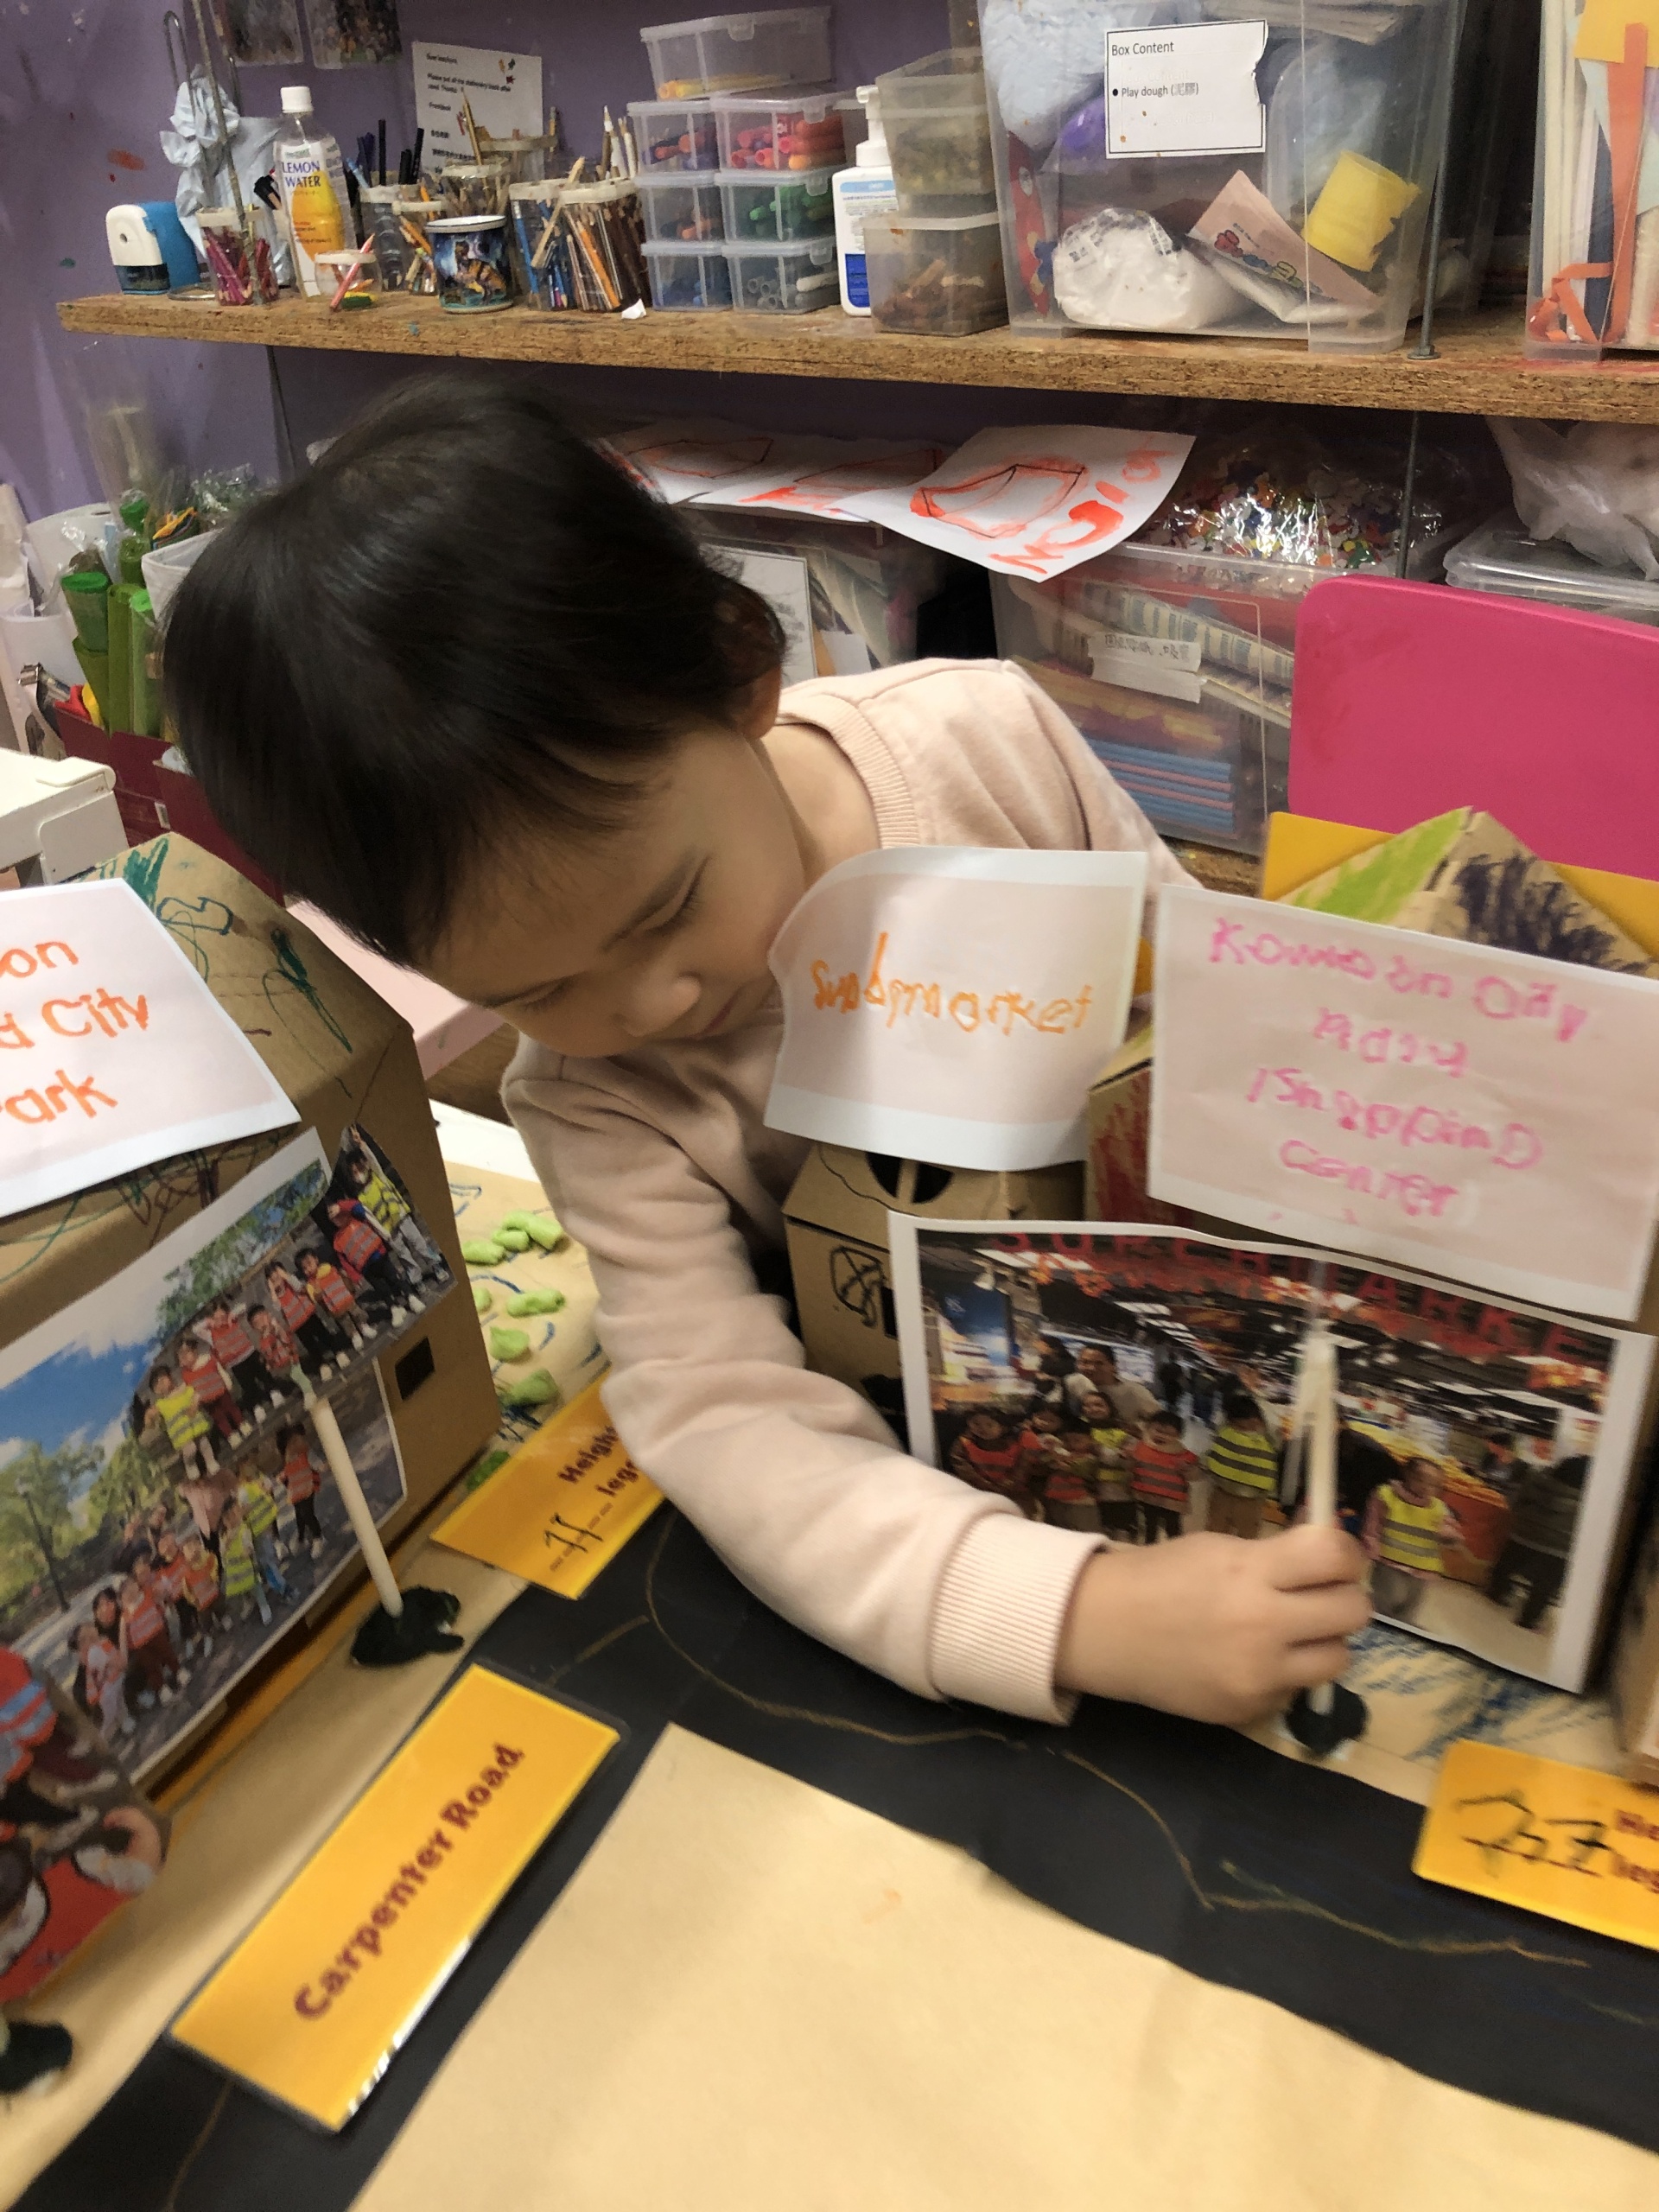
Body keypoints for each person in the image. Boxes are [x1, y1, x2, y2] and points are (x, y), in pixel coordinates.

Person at [162, 375, 1369, 1732]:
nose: (654, 1003)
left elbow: (1224, 1042)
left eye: (668, 908)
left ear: (743, 672)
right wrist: (1070, 1615)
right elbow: (731, 1425)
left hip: (1185, 1351)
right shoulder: (598, 1106)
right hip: (943, 1468)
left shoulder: (987, 752)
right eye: (538, 989)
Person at [1488, 1455, 1588, 1632]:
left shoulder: (1537, 1480)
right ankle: (1528, 1619)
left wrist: (1523, 1519)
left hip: (1525, 1533)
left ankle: (1496, 1592)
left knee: (1507, 1564)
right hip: (1559, 1546)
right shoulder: (1589, 1499)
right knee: (1545, 1586)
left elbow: (1517, 1501)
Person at [1363, 1459, 1465, 1625]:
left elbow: (1449, 1530)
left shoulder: (1439, 1508)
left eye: (1433, 1484)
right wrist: (1372, 1546)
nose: (1426, 1487)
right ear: (1407, 1475)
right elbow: (1373, 1524)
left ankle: (1401, 1632)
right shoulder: (1387, 1495)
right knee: (1383, 1602)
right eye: (1421, 1480)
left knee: (1409, 1609)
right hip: (1390, 1562)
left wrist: (1451, 1537)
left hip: (1422, 1568)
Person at [347, 1147, 442, 1290]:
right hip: (389, 1230)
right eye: (355, 1173)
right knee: (404, 1255)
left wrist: (362, 1145)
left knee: (419, 1243)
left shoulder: (378, 1176)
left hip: (402, 1218)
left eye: (360, 1169)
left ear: (365, 1164)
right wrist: (384, 1234)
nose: (359, 1174)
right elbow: (371, 1218)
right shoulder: (361, 1198)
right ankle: (416, 1280)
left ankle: (436, 1266)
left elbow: (372, 1160)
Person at [1204, 1396, 1281, 1541]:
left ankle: (1242, 1553)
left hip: (1251, 1497)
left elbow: (1277, 1444)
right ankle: (1216, 1551)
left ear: (1258, 1420)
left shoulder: (1267, 1435)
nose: (1241, 1430)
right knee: (1216, 1529)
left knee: (1248, 1532)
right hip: (1223, 1491)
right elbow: (1214, 1452)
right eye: (1238, 1426)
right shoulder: (1226, 1431)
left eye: (1254, 1423)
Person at [1128, 1410, 1199, 1544]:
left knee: (1173, 1529)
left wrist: (1187, 1468)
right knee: (1150, 1527)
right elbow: (1130, 1467)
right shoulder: (1140, 1447)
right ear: (1148, 1428)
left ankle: (1175, 1550)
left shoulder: (1183, 1454)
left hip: (1172, 1502)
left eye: (1169, 1434)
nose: (1162, 1436)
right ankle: (1151, 1549)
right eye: (1158, 1431)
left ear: (1179, 1436)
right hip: (1147, 1498)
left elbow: (1196, 1475)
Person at [117, 1574, 187, 1708]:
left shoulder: (148, 1594)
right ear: (121, 1598)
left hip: (157, 1634)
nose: (129, 1591)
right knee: (151, 1667)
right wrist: (124, 1656)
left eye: (130, 1585)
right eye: (124, 1591)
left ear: (136, 1584)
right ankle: (162, 1688)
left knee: (168, 1654)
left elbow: (163, 1597)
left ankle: (178, 1672)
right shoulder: (125, 1616)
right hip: (141, 1646)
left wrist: (163, 1592)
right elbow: (123, 1638)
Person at [264, 1260, 339, 1379]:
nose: (277, 1282)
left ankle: (337, 1352)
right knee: (310, 1345)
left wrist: (286, 1276)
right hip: (296, 1324)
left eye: (278, 1277)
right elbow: (276, 1308)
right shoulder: (275, 1297)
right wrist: (272, 1290)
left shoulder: (290, 1283)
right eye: (273, 1280)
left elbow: (299, 1287)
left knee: (323, 1334)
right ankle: (322, 1365)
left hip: (308, 1314)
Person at [1077, 1392, 1137, 1541]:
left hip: (1119, 1489)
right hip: (1088, 1488)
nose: (1093, 1409)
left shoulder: (1123, 1432)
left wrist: (1101, 1451)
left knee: (1121, 1528)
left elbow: (1130, 1457)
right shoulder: (1078, 1430)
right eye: (1087, 1405)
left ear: (1109, 1407)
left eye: (1098, 1405)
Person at [1065, 1347, 1160, 1437]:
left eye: (1099, 1363)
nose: (1091, 1368)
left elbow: (1160, 1421)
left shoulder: (1136, 1391)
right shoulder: (1072, 1383)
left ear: (1113, 1366)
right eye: (1085, 1362)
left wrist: (1137, 1428)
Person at [146, 1365, 218, 1485]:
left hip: (196, 1426)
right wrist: (149, 1417)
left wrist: (195, 1401)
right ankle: (190, 1465)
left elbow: (195, 1394)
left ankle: (210, 1461)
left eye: (163, 1378)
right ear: (156, 1391)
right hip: (182, 1435)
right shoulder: (161, 1404)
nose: (161, 1382)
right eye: (157, 1383)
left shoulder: (184, 1389)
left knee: (204, 1443)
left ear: (170, 1377)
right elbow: (151, 1417)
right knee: (190, 1449)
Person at [949, 1410, 1031, 1514]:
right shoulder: (964, 1443)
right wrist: (982, 1484)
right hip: (975, 1489)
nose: (982, 1428)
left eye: (989, 1425)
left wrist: (1009, 1484)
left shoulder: (1017, 1444)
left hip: (1012, 1491)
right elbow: (960, 1464)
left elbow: (1022, 1467)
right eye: (976, 1423)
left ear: (1003, 1427)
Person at [235, 1465, 293, 1605]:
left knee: (266, 1561)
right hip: (263, 1527)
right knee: (267, 1558)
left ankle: (280, 1587)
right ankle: (280, 1585)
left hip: (258, 1530)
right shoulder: (253, 1485)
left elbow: (245, 1511)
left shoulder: (245, 1490)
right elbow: (268, 1491)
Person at [202, 1298, 264, 1426]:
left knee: (263, 1374)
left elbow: (243, 1306)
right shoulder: (210, 1333)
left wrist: (231, 1315)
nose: (220, 1318)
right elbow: (196, 1329)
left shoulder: (233, 1319)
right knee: (247, 1385)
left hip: (249, 1352)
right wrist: (208, 1322)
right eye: (216, 1316)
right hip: (235, 1363)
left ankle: (274, 1391)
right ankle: (256, 1407)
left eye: (222, 1314)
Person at [299, 1247, 370, 1348]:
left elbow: (341, 1277)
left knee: (357, 1313)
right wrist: (318, 1292)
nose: (308, 1270)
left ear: (316, 1260)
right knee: (345, 1322)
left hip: (346, 1297)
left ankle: (364, 1326)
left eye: (309, 1264)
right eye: (304, 1268)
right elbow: (316, 1299)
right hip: (335, 1307)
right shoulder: (310, 1284)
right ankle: (354, 1335)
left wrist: (350, 1286)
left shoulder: (328, 1268)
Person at [177, 1332, 241, 1445]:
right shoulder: (186, 1374)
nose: (184, 1357)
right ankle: (230, 1435)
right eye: (181, 1355)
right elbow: (189, 1389)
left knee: (231, 1408)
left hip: (221, 1391)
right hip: (207, 1400)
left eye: (187, 1352)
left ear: (195, 1350)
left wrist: (227, 1381)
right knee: (219, 1418)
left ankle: (241, 1423)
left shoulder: (207, 1359)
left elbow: (219, 1370)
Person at [1040, 1425, 1104, 1535]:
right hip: (1057, 1500)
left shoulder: (1090, 1458)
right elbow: (1044, 1460)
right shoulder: (1060, 1453)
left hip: (1081, 1502)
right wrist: (1054, 1448)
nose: (1071, 1444)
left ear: (1090, 1440)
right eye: (1066, 1440)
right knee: (1057, 1533)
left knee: (1086, 1534)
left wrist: (1058, 1458)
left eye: (1077, 1440)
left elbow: (1074, 1467)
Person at [217, 1499, 268, 1628]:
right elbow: (222, 1552)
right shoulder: (224, 1535)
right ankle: (248, 1602)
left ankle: (264, 1606)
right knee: (242, 1588)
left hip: (247, 1565)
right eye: (227, 1519)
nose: (230, 1521)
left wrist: (247, 1550)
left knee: (255, 1585)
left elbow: (248, 1544)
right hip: (234, 1571)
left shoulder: (243, 1529)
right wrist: (226, 1544)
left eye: (232, 1516)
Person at [76, 1623, 131, 1741]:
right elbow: (95, 1675)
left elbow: (117, 1659)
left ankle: (123, 1720)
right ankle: (108, 1729)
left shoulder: (104, 1643)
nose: (91, 1640)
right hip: (105, 1687)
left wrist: (113, 1663)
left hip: (115, 1678)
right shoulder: (90, 1655)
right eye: (86, 1639)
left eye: (91, 1635)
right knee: (111, 1706)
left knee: (119, 1700)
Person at [280, 1426, 327, 1555]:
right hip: (296, 1493)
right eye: (292, 1442)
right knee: (299, 1515)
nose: (295, 1444)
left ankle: (318, 1538)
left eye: (297, 1441)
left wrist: (322, 1466)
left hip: (307, 1489)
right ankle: (302, 1538)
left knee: (307, 1514)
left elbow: (317, 1465)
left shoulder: (305, 1453)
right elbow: (287, 1475)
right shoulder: (288, 1459)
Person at [180, 1534, 224, 1650]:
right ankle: (208, 1635)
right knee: (205, 1620)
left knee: (220, 1606)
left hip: (214, 1593)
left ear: (200, 1545)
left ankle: (223, 1618)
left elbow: (215, 1564)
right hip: (202, 1603)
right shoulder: (186, 1573)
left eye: (195, 1545)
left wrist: (214, 1576)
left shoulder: (208, 1558)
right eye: (189, 1550)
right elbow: (186, 1590)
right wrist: (193, 1600)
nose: (193, 1551)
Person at [248, 1305, 302, 1399]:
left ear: (268, 1315)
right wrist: (268, 1363)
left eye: (262, 1319)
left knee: (299, 1377)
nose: (261, 1324)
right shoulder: (261, 1341)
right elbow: (266, 1353)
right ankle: (297, 1389)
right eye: (257, 1323)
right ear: (253, 1327)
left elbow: (285, 1338)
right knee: (290, 1379)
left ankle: (306, 1391)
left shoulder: (275, 1328)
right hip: (280, 1366)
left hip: (290, 1360)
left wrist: (275, 1327)